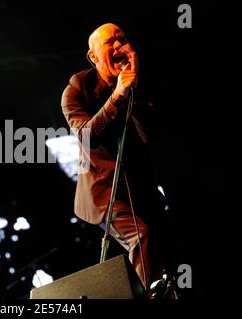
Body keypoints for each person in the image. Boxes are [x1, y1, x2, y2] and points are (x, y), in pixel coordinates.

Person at [61, 23, 171, 291]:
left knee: (167, 241)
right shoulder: (77, 90)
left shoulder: (139, 83)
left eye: (123, 39)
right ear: (94, 56)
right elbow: (86, 136)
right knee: (141, 235)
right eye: (111, 42)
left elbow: (152, 135)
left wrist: (135, 91)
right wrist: (117, 95)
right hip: (105, 192)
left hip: (139, 186)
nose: (120, 46)